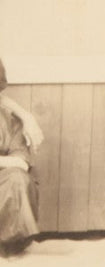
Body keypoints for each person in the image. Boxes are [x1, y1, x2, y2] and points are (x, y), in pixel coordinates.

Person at [0, 60, 42, 256]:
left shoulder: (9, 120)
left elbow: (21, 162)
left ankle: (9, 244)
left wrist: (26, 117)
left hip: (3, 180)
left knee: (17, 179)